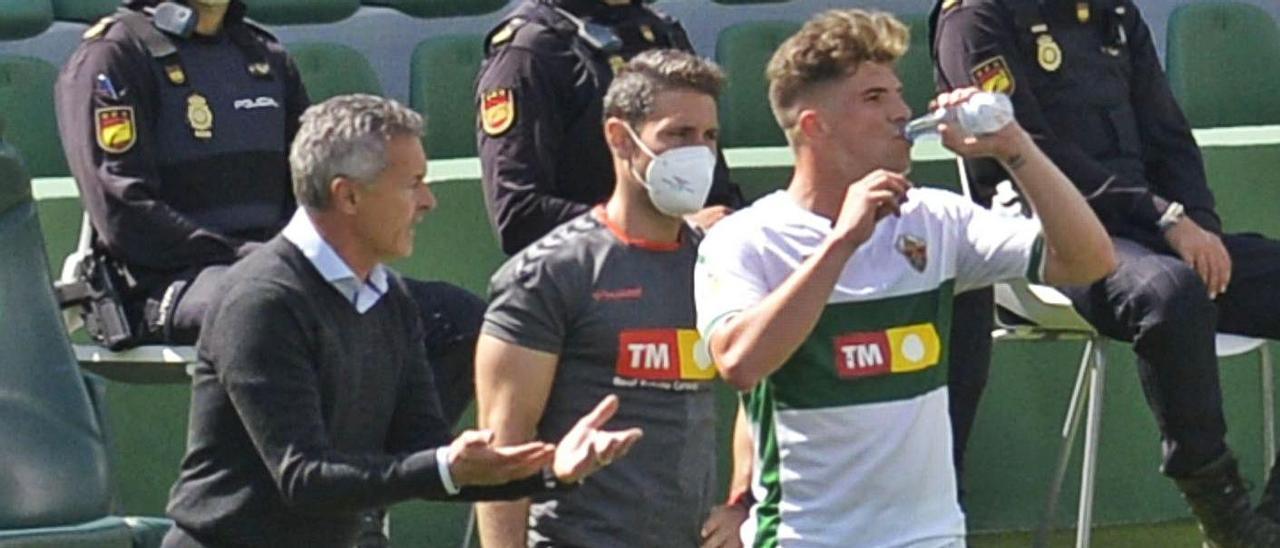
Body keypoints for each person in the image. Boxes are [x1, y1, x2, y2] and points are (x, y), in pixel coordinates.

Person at [694, 9, 1115, 546]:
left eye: (897, 93)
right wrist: (841, 243)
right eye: (874, 98)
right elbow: (740, 364)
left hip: (929, 536)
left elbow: (1089, 261)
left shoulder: (936, 218)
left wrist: (1017, 149)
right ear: (814, 127)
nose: (902, 112)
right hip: (807, 536)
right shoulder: (745, 239)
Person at [160, 94, 642, 548]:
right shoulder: (262, 301)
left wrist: (550, 469)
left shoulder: (389, 299)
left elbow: (421, 451)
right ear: (347, 197)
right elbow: (303, 478)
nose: (429, 201)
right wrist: (445, 465)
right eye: (412, 184)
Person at [931, 1, 1280, 544]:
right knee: (1169, 293)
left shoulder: (1114, 12)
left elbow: (1167, 134)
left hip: (1152, 228)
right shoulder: (977, 17)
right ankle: (1227, 519)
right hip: (1048, 242)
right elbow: (1026, 149)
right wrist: (1165, 218)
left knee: (1184, 278)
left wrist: (1199, 226)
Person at [54, 0, 483, 426]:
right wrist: (257, 260)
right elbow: (124, 217)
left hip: (280, 271)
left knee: (458, 319)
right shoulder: (114, 56)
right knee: (292, 307)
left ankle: (374, 473)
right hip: (166, 282)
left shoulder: (263, 55)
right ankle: (329, 479)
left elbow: (314, 192)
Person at [473, 49, 726, 548]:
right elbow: (504, 447)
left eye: (709, 137)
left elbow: (767, 395)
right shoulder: (549, 274)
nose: (698, 153)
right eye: (678, 134)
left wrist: (740, 503)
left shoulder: (718, 263)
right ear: (619, 138)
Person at [474, 0, 743, 256]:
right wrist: (664, 228)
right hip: (587, 282)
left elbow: (715, 189)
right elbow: (519, 216)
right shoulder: (529, 52)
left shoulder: (659, 33)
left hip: (693, 270)